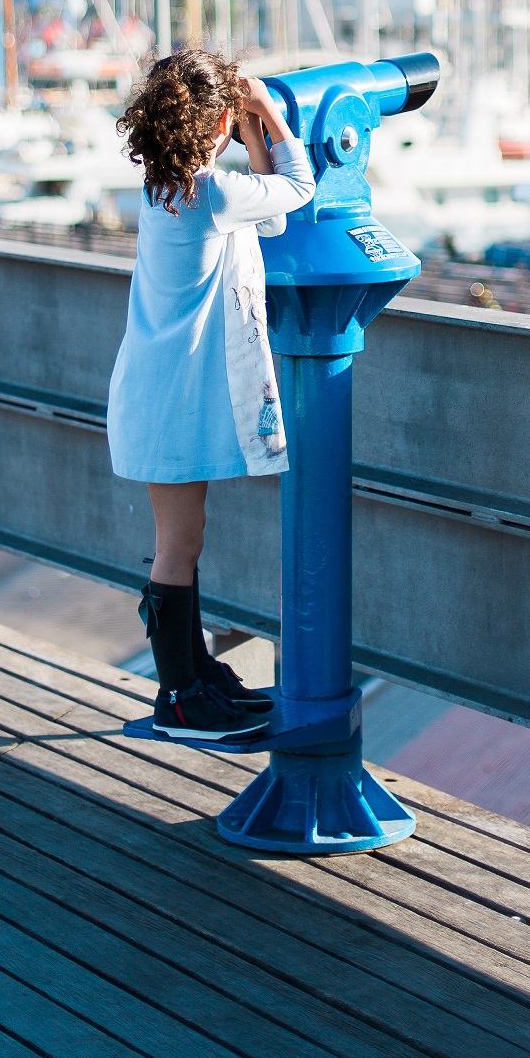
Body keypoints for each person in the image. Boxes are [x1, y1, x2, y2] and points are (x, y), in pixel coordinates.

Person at [107, 49, 314, 741]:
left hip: (161, 395)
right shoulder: (211, 196)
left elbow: (270, 217)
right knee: (177, 545)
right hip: (168, 402)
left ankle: (196, 676)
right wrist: (274, 116)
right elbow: (299, 189)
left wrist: (246, 127)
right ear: (218, 120)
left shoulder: (171, 189)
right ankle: (183, 699)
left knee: (184, 541)